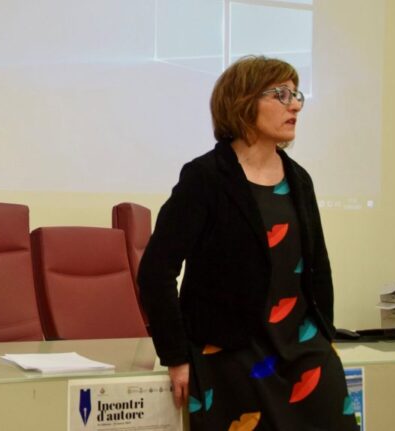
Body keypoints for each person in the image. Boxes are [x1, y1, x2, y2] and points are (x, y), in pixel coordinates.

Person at [137, 56, 358, 430]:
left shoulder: (298, 179)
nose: (295, 105)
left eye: (297, 95)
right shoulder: (205, 177)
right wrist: (176, 356)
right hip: (229, 354)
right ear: (243, 101)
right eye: (281, 94)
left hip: (303, 350)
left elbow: (317, 268)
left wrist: (325, 335)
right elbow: (156, 272)